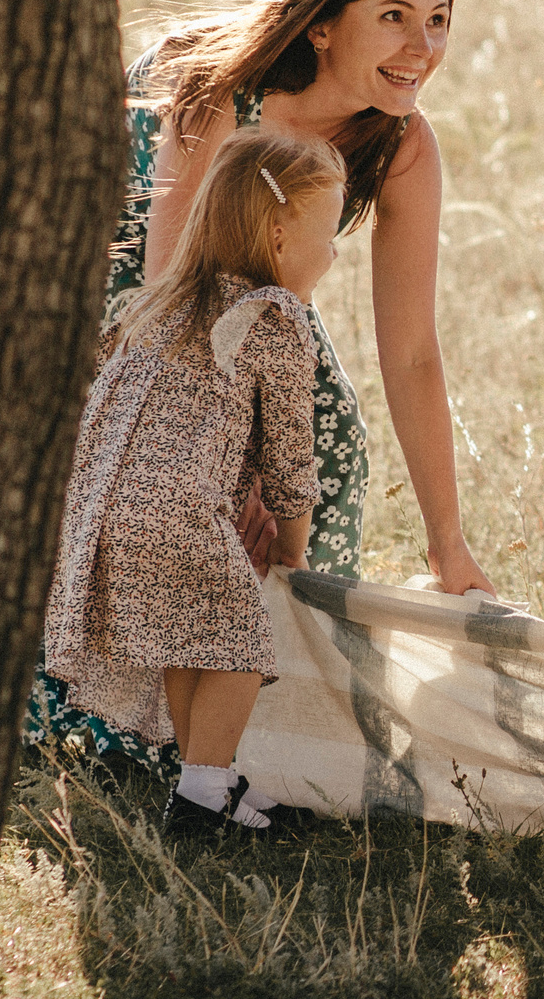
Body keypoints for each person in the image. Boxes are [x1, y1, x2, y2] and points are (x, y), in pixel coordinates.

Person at [25, 0, 495, 773]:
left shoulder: (402, 145)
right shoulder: (215, 84)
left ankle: (266, 702)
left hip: (255, 310)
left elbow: (414, 353)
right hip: (135, 298)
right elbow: (172, 290)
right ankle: (109, 708)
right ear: (322, 25)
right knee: (150, 465)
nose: (422, 47)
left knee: (328, 438)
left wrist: (447, 543)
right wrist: (228, 454)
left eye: (436, 21)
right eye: (392, 17)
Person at [44, 127, 341, 834]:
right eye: (328, 234)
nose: (334, 253)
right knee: (240, 636)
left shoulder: (158, 303)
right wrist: (294, 550)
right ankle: (204, 795)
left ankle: (210, 779)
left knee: (192, 633)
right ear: (277, 236)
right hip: (177, 509)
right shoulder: (275, 319)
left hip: (99, 509)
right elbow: (291, 461)